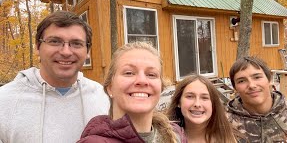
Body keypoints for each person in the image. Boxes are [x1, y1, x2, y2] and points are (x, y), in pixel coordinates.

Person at [0, 11, 110, 143]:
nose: (66, 52)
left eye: (76, 43)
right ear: (37, 46)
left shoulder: (102, 97)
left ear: (88, 51)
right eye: (54, 41)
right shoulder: (5, 101)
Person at [78, 41, 186, 143]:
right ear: (110, 87)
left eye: (151, 74)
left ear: (161, 87)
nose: (142, 81)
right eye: (129, 73)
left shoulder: (176, 136)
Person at [227, 56, 287, 142]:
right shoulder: (224, 123)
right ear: (235, 88)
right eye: (241, 81)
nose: (251, 85)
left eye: (257, 77)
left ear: (270, 79)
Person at [167, 74, 246, 143]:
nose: (197, 104)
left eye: (204, 98)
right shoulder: (163, 138)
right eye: (190, 96)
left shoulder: (234, 138)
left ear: (213, 104)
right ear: (178, 102)